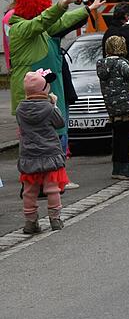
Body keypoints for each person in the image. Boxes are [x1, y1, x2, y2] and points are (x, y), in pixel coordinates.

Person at [8, 0, 101, 156]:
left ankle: (55, 175)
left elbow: (61, 22)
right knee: (39, 142)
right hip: (31, 97)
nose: (44, 11)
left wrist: (87, 9)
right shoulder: (20, 29)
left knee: (57, 136)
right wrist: (63, 2)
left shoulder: (39, 31)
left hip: (48, 93)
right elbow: (43, 21)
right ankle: (39, 178)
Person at [17, 69, 69, 234]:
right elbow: (60, 123)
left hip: (29, 154)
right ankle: (55, 219)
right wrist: (54, 105)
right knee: (52, 188)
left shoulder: (20, 109)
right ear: (44, 89)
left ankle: (31, 223)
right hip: (49, 153)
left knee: (29, 190)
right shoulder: (48, 108)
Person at [96, 35, 129, 180]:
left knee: (117, 138)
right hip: (127, 106)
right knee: (125, 138)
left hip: (113, 107)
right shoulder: (120, 63)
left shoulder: (101, 64)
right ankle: (124, 167)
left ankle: (117, 167)